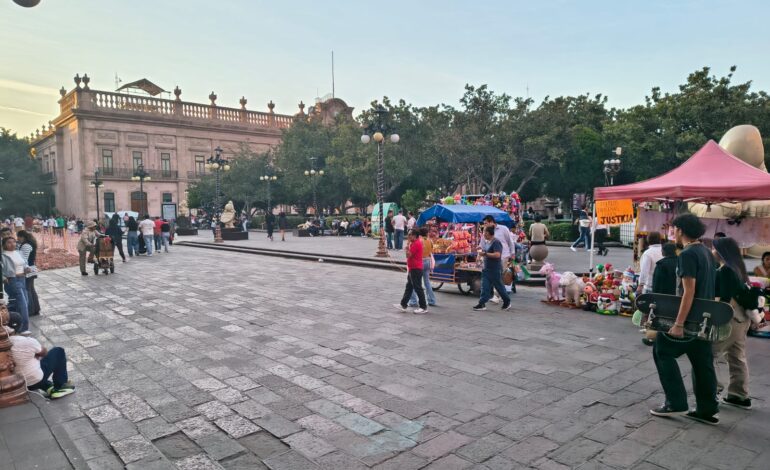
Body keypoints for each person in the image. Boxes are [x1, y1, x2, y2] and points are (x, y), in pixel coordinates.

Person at [650, 213, 719, 424]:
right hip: (704, 317)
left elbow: (688, 291)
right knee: (702, 362)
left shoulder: (688, 254)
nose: (673, 233)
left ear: (680, 230)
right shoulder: (706, 252)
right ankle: (707, 410)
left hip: (689, 318)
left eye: (674, 229)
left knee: (662, 351)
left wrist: (678, 323)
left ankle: (676, 402)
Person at [712, 237, 753, 409]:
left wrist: (716, 319)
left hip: (730, 317)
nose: (712, 251)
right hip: (743, 317)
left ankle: (712, 390)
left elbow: (725, 299)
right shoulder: (738, 268)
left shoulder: (725, 270)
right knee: (736, 356)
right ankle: (739, 395)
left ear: (721, 252)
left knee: (709, 353)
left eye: (714, 249)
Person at [9, 332, 75, 399]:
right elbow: (44, 353)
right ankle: (60, 386)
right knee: (58, 351)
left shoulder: (5, 344)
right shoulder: (27, 341)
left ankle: (47, 386)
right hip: (33, 382)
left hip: (17, 384)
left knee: (30, 364)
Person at [473, 226, 511, 311]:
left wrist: (485, 254)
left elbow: (497, 255)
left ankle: (507, 302)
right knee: (484, 286)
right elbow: (486, 251)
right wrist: (481, 251)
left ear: (488, 233)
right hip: (486, 268)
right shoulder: (487, 242)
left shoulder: (496, 242)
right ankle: (481, 303)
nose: (483, 234)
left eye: (484, 232)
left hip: (495, 269)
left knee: (499, 287)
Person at [481, 215, 517, 299]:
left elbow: (510, 242)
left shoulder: (503, 229)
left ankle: (497, 295)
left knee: (498, 275)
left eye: (486, 223)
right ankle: (496, 295)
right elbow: (482, 243)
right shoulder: (485, 231)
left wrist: (513, 254)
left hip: (503, 256)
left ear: (491, 222)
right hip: (490, 257)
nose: (485, 225)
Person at [2, 236, 32, 335]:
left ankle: (12, 323)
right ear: (4, 245)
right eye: (9, 242)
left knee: (23, 302)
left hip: (23, 279)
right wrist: (3, 277)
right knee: (22, 303)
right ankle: (23, 328)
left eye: (14, 242)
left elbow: (24, 263)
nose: (12, 244)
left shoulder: (18, 252)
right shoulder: (3, 256)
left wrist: (27, 268)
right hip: (13, 280)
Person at [394, 229, 428, 314]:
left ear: (414, 236)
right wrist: (408, 247)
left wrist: (407, 248)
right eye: (408, 234)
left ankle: (423, 307)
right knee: (409, 287)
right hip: (413, 268)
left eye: (410, 234)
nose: (408, 236)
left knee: (418, 287)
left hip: (416, 268)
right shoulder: (414, 243)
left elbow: (408, 255)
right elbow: (409, 255)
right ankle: (403, 304)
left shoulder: (416, 243)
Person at [408, 227, 437, 308]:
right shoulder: (429, 241)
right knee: (427, 282)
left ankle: (413, 301)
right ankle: (432, 300)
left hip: (420, 262)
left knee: (415, 282)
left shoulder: (419, 241)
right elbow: (431, 251)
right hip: (428, 261)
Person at [16, 230, 40, 317]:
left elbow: (24, 259)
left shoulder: (26, 245)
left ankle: (30, 310)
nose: (17, 239)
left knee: (28, 290)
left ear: (22, 237)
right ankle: (35, 309)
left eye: (18, 237)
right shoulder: (28, 244)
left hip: (28, 270)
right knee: (31, 290)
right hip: (31, 269)